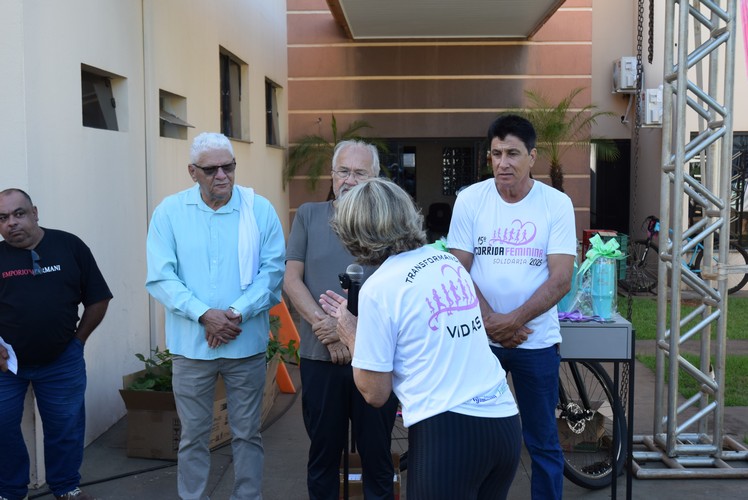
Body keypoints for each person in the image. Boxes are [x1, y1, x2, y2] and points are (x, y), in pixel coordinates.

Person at [320, 178, 521, 500]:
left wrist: (351, 333)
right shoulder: (447, 261)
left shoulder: (380, 288)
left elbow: (375, 393)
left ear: (355, 233)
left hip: (449, 433)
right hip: (503, 422)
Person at [145, 132, 285, 500]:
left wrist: (235, 313)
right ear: (193, 172)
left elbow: (272, 272)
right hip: (192, 348)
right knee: (193, 436)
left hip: (246, 344)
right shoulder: (169, 213)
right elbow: (161, 277)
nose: (222, 175)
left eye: (229, 167)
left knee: (247, 434)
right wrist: (204, 314)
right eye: (211, 169)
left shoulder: (260, 210)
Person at [447, 114, 577, 500]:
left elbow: (561, 278)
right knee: (477, 439)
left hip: (535, 344)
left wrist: (512, 321)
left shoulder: (556, 204)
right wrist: (491, 323)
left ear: (532, 156)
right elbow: (457, 269)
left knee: (543, 443)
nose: (503, 162)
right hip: (481, 342)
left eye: (513, 154)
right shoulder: (471, 199)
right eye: (496, 153)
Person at [284, 140, 399, 499]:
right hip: (320, 356)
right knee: (323, 457)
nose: (350, 180)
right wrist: (330, 329)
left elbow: (398, 286)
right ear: (332, 175)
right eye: (343, 171)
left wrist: (352, 333)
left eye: (359, 172)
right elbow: (291, 278)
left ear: (375, 177)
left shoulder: (388, 223)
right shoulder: (308, 214)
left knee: (377, 457)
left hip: (374, 357)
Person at [0, 188, 112, 500]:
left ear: (34, 213)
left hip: (62, 359)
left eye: (19, 214)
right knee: (2, 425)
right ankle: (10, 490)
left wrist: (78, 342)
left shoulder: (69, 246)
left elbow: (98, 298)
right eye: (3, 218)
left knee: (65, 428)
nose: (12, 223)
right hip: (6, 364)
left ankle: (65, 488)